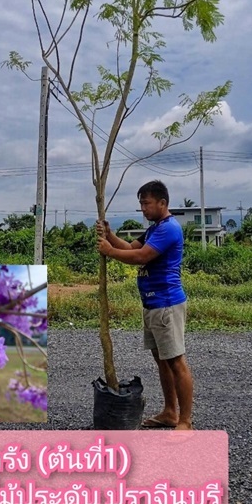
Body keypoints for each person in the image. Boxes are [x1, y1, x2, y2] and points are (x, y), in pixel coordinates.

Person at [97, 180, 193, 430]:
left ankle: (185, 420)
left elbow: (140, 257)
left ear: (163, 203)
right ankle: (170, 412)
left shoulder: (169, 229)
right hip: (152, 304)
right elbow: (130, 247)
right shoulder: (154, 229)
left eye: (146, 203)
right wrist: (110, 236)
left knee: (176, 362)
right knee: (162, 361)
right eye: (141, 204)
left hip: (166, 304)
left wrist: (108, 250)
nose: (143, 209)